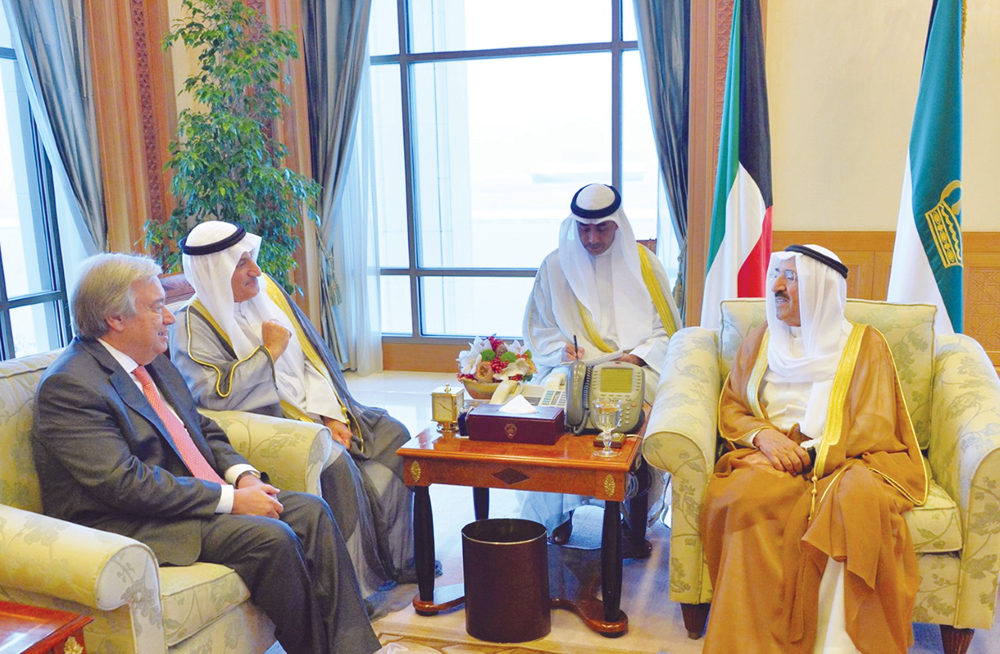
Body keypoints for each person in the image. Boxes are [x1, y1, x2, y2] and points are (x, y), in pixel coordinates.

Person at [31, 253, 380, 654]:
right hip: (130, 523)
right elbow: (125, 484)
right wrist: (232, 502)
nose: (169, 318)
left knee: (311, 512)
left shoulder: (150, 361)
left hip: (185, 497)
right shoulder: (71, 387)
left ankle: (358, 650)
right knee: (272, 538)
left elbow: (201, 429)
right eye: (156, 306)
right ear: (115, 318)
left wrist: (242, 476)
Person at [169, 221, 414, 614]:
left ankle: (402, 560)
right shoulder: (189, 326)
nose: (256, 271)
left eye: (251, 258)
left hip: (314, 412)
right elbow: (215, 396)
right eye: (242, 264)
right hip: (271, 428)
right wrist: (268, 352)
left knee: (394, 435)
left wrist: (331, 415)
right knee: (334, 465)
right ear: (215, 272)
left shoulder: (270, 297)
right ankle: (356, 592)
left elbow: (311, 363)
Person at [700, 245, 928, 653]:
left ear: (822, 288)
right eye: (776, 277)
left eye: (791, 278)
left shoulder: (864, 344)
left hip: (844, 458)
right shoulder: (760, 341)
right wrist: (763, 437)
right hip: (771, 454)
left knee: (855, 506)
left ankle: (835, 645)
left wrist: (817, 452)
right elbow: (734, 404)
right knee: (741, 499)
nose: (778, 287)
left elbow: (874, 422)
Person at [520, 183, 681, 543]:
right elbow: (538, 329)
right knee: (553, 405)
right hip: (569, 368)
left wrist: (638, 355)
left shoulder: (645, 266)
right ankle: (556, 514)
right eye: (583, 228)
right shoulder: (554, 265)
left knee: (634, 408)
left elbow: (666, 332)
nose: (591, 238)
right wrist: (562, 350)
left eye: (601, 228)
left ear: (617, 225)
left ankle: (631, 517)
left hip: (632, 366)